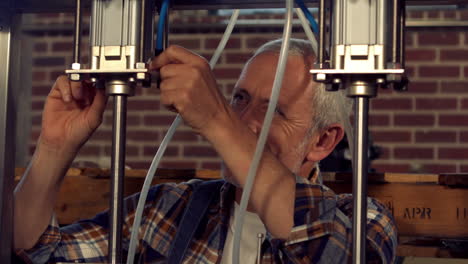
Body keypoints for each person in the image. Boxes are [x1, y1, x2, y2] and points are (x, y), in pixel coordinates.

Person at [14, 39, 397, 263]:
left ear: (323, 141)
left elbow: (326, 251)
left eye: (273, 110)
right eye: (239, 99)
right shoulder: (169, 209)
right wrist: (53, 147)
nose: (246, 120)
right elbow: (36, 253)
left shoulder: (364, 220)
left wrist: (216, 117)